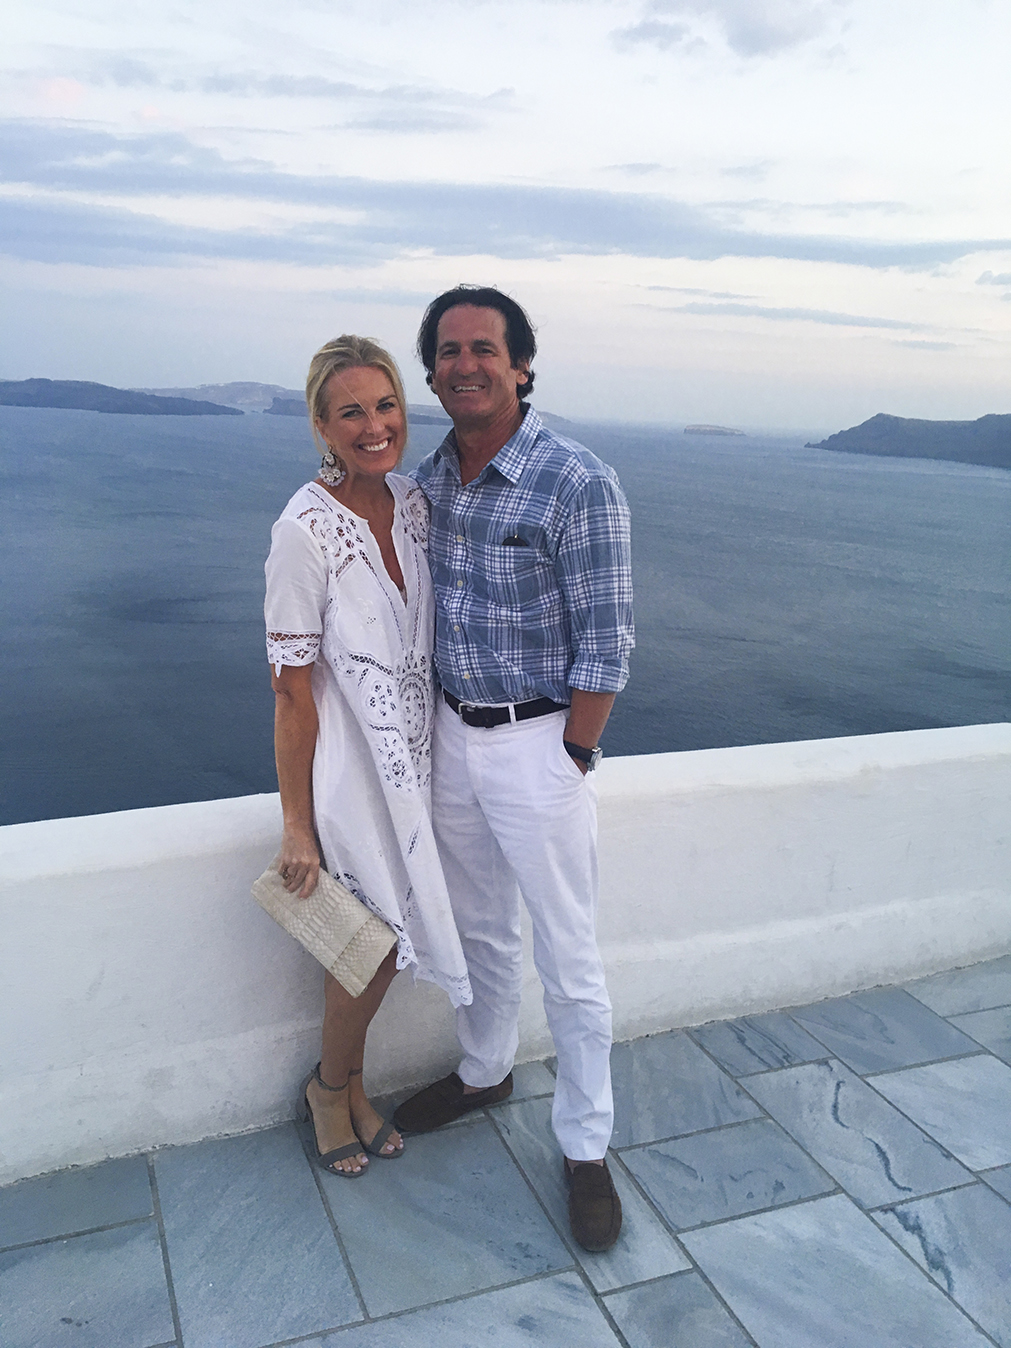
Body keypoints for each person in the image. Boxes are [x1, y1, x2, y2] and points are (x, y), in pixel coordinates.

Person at [393, 287, 633, 1251]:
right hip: (453, 733)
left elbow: (607, 642)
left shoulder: (576, 481)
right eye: (447, 350)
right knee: (480, 928)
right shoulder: (433, 479)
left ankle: (585, 1145)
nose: (464, 364)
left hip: (539, 742)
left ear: (520, 365)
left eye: (483, 348)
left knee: (567, 955)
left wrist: (571, 754)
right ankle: (484, 1070)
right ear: (432, 373)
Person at [265, 335, 472, 1177]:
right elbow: (290, 691)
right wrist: (296, 825)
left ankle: (349, 1088)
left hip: (414, 768)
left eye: (385, 405)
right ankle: (327, 1090)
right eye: (350, 411)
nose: (374, 425)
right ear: (321, 425)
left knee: (385, 940)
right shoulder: (303, 531)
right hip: (348, 777)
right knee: (370, 946)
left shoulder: (414, 504)